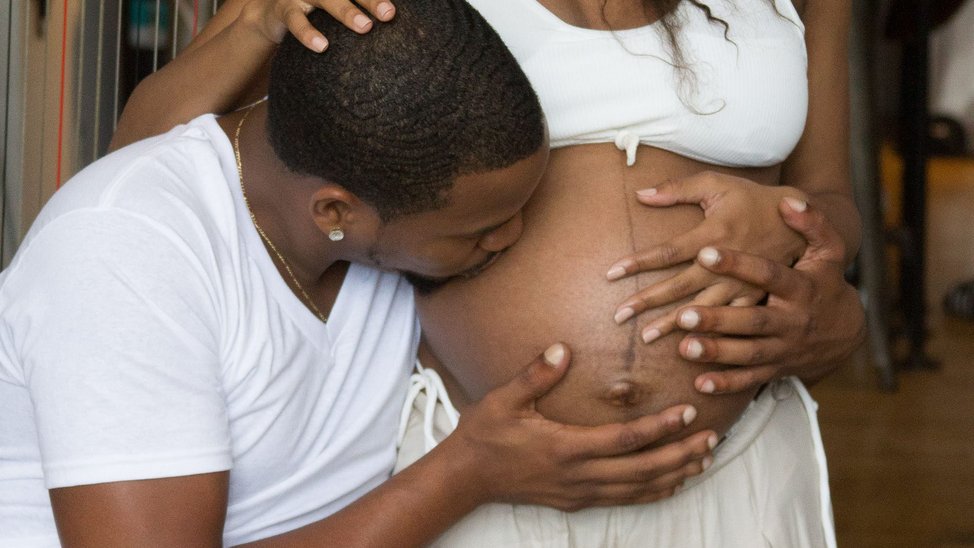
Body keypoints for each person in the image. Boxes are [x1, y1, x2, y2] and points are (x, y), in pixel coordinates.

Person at [110, 0, 867, 546]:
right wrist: (253, 19)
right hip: (472, 456)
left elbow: (833, 197)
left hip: (732, 459)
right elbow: (147, 161)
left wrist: (799, 219)